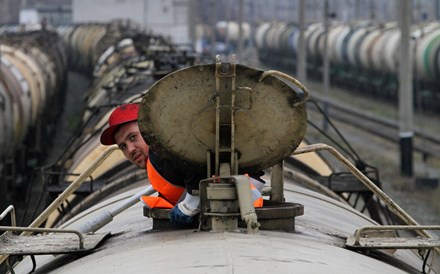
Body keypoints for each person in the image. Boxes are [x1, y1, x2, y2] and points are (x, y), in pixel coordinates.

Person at [100, 103, 264, 227]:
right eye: (123, 146)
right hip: (243, 207)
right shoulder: (159, 160)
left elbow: (196, 164)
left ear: (150, 129)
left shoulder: (162, 149)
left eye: (133, 137)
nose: (130, 149)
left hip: (239, 210)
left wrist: (190, 205)